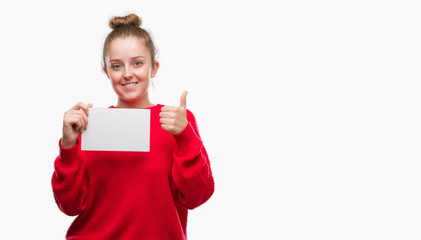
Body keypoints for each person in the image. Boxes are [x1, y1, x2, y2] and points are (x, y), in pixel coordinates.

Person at [51, 13, 214, 240]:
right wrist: (68, 146)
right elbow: (70, 206)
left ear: (153, 67)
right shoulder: (89, 124)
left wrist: (185, 136)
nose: (127, 74)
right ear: (106, 71)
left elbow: (195, 197)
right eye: (116, 66)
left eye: (137, 63)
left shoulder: (176, 121)